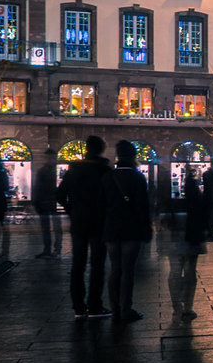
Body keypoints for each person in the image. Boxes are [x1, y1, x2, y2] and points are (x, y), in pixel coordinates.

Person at [105, 141, 153, 322]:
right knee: (128, 270)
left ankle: (114, 307)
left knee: (115, 268)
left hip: (111, 230)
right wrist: (146, 228)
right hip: (131, 230)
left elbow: (101, 205)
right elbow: (143, 207)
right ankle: (126, 308)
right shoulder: (138, 178)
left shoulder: (108, 177)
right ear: (133, 156)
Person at [64, 138, 112, 319]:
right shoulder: (105, 171)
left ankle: (78, 306)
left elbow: (60, 194)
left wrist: (73, 209)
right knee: (97, 265)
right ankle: (95, 306)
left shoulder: (74, 170)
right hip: (98, 222)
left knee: (78, 264)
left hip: (79, 221)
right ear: (101, 149)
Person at [174, 172, 210, 319]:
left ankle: (177, 306)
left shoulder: (176, 200)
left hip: (177, 236)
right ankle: (187, 306)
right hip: (193, 236)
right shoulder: (197, 199)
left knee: (176, 271)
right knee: (190, 271)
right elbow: (204, 214)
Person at [33, 152, 60, 257]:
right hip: (48, 202)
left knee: (49, 227)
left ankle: (51, 250)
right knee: (51, 227)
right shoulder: (47, 170)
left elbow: (39, 186)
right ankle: (52, 250)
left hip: (47, 202)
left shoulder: (45, 170)